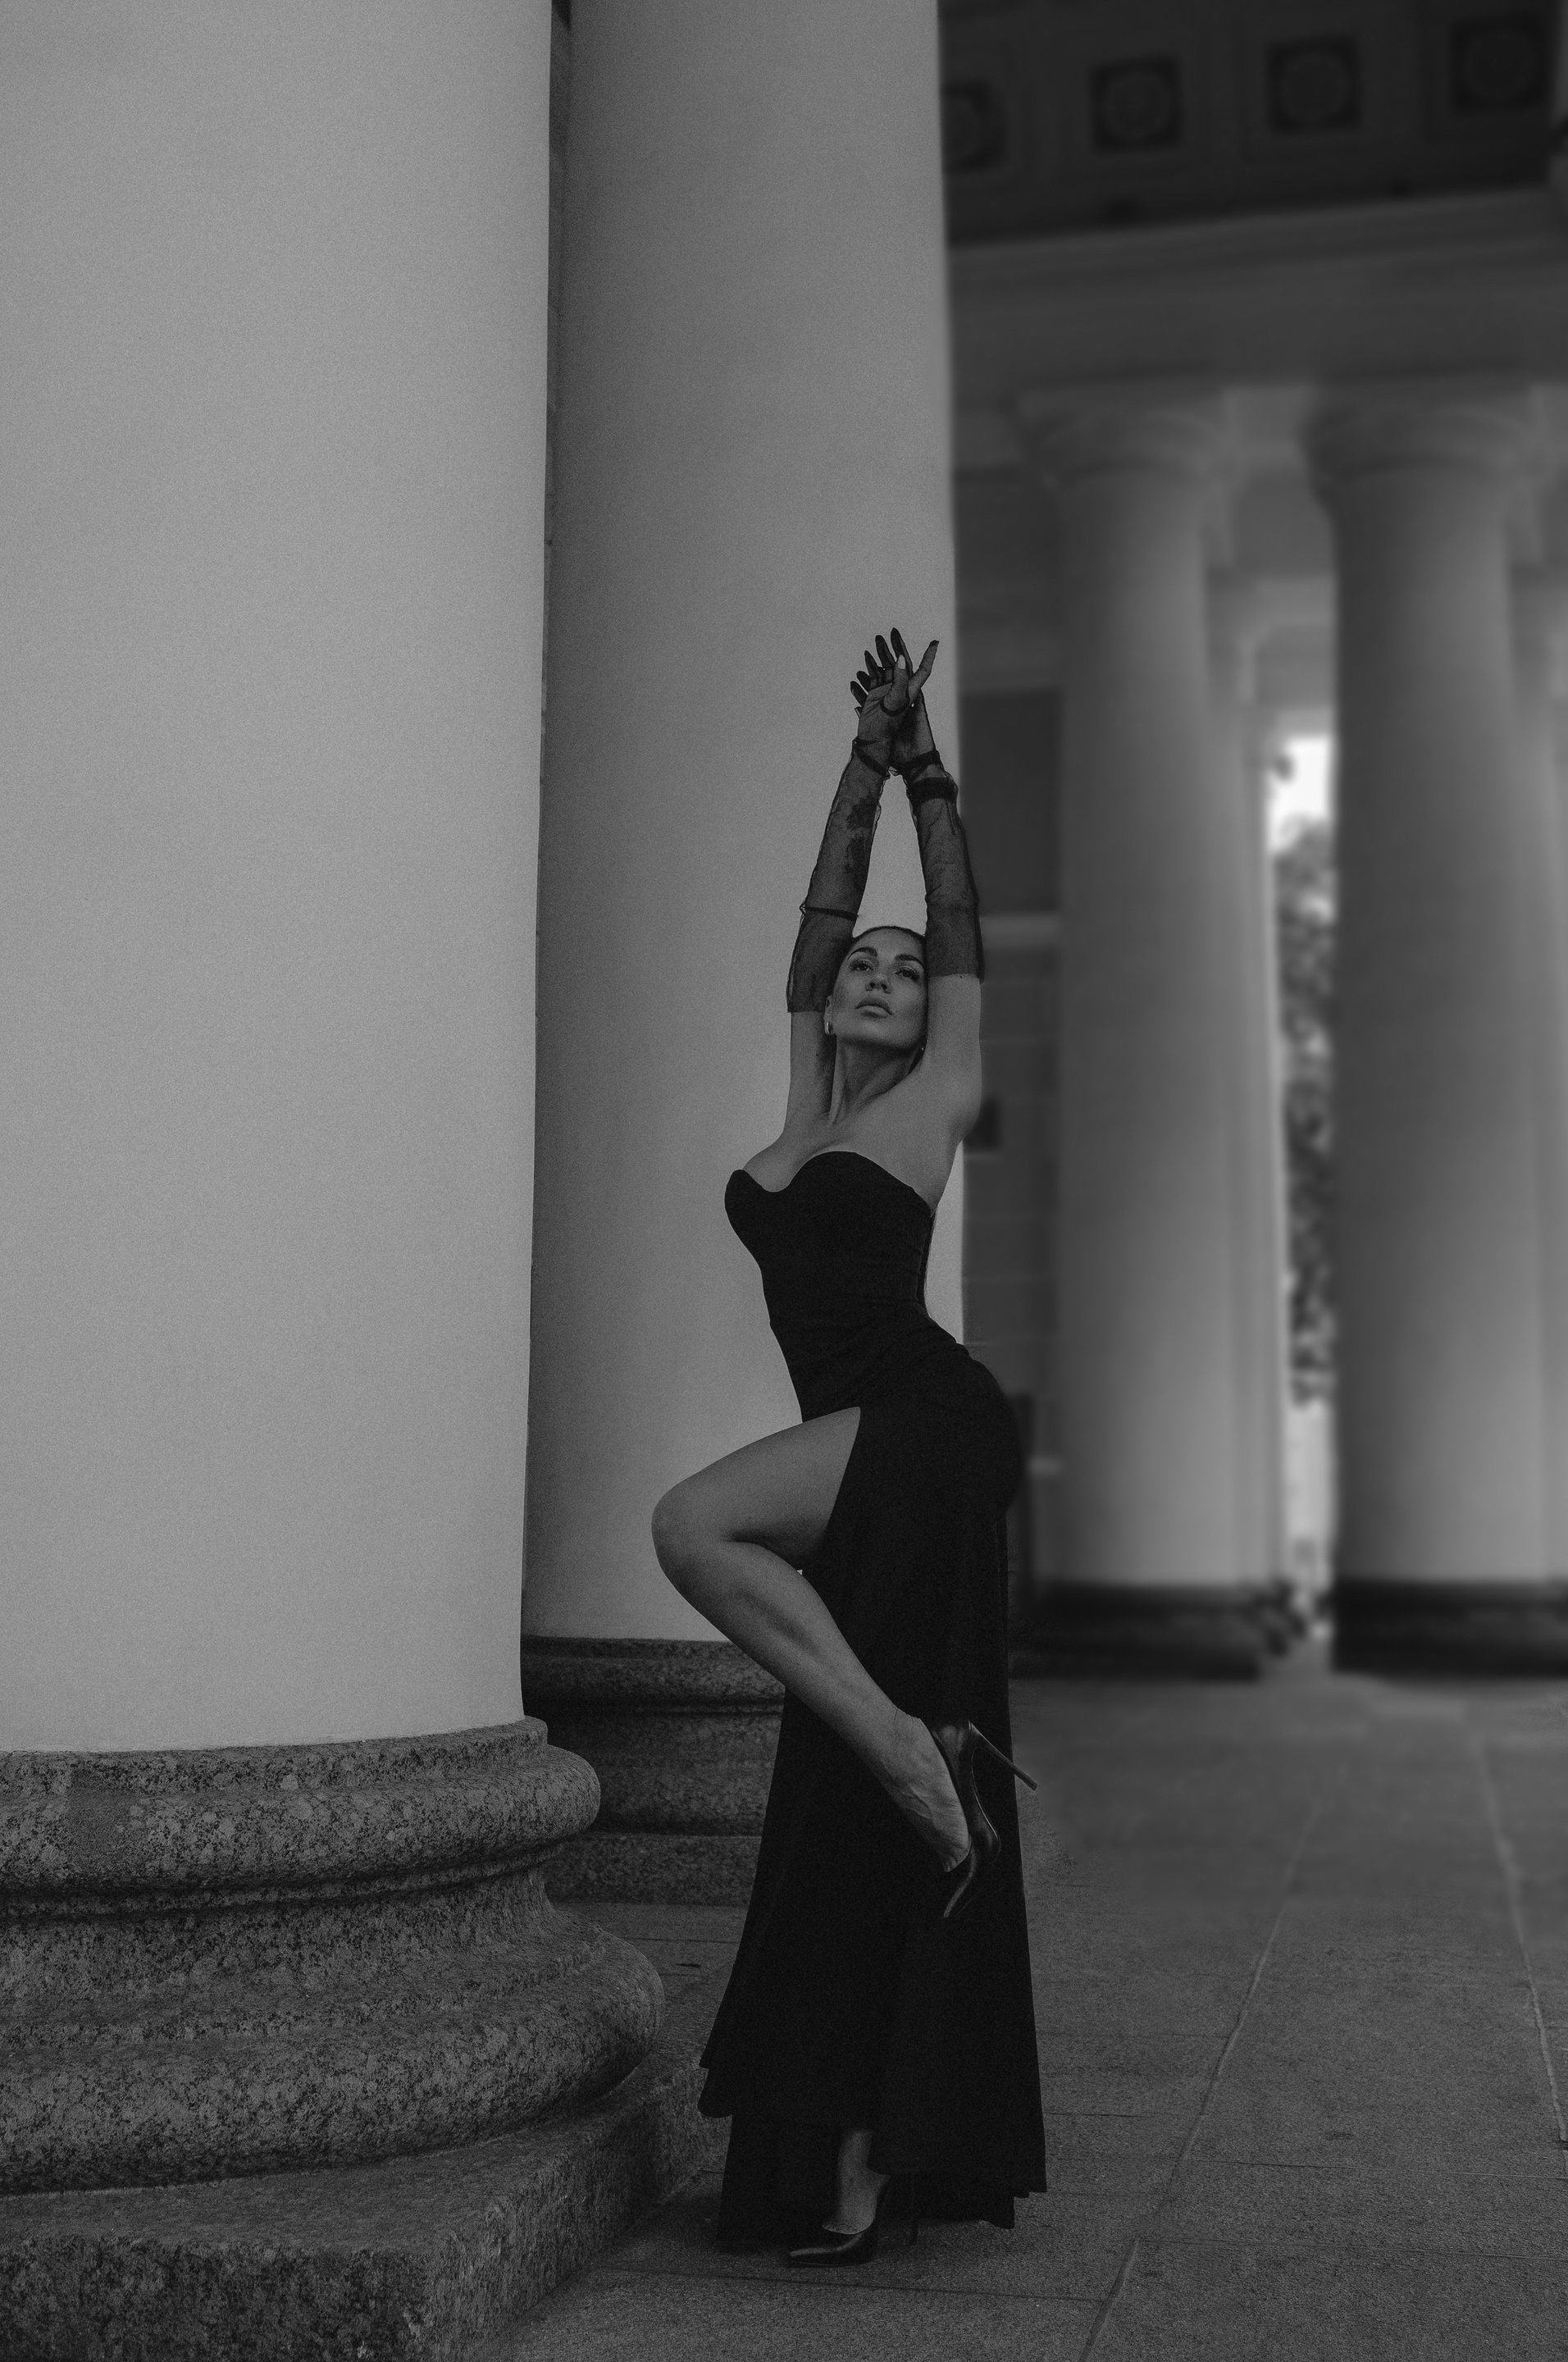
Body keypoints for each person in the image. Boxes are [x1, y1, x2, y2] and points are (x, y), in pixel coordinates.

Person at [651, 628, 1046, 2263]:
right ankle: (863, 2160)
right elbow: (814, 927)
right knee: (830, 1808)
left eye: (902, 967)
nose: (879, 973)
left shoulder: (930, 1101)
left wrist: (927, 771)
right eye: (860, 968)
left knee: (694, 1524)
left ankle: (905, 1749)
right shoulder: (797, 1116)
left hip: (930, 1428)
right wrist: (857, 762)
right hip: (871, 1451)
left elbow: (953, 936)